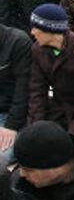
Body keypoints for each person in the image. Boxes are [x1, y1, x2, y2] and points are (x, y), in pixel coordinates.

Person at [27, 4, 74, 137]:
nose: (32, 32)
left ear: (50, 30)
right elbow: (37, 91)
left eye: (36, 28)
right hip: (57, 110)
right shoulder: (37, 50)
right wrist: (35, 129)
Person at [0, 23, 31, 171]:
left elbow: (23, 88)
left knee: (2, 159)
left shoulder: (18, 42)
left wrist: (11, 125)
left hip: (11, 114)